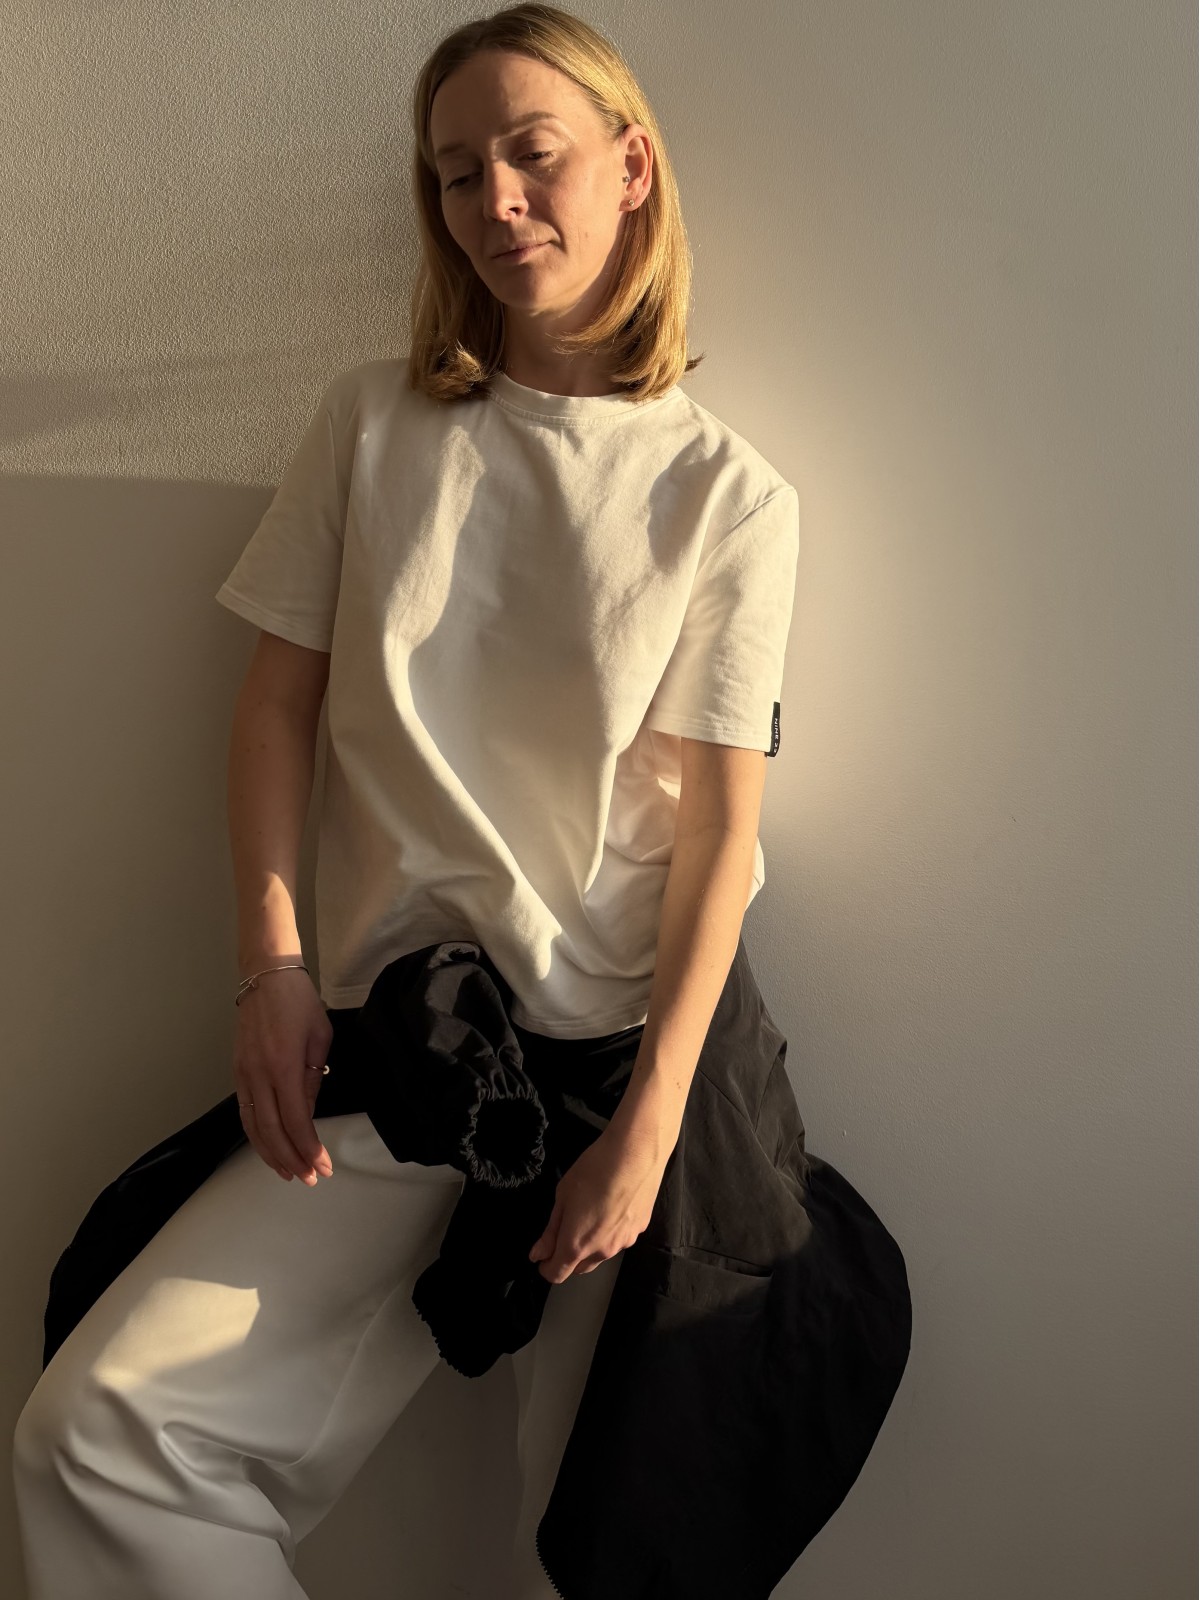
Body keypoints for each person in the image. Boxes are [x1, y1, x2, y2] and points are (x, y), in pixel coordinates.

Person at [12, 5, 802, 1596]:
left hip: (616, 1066)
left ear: (632, 167)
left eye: (532, 153)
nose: (493, 198)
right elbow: (274, 710)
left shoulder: (726, 495)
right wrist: (273, 971)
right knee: (100, 1433)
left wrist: (651, 1131)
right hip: (396, 1052)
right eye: (453, 172)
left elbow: (726, 837)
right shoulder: (373, 425)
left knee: (605, 1550)